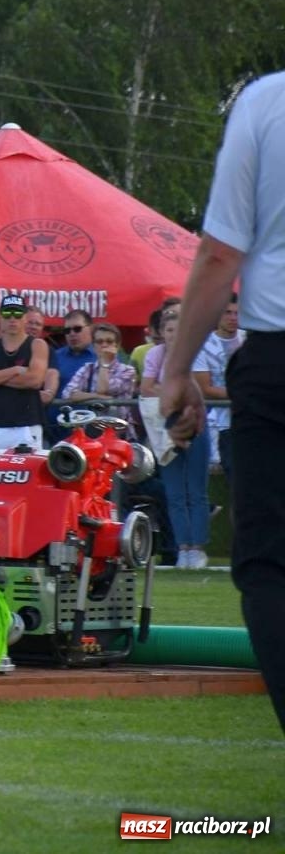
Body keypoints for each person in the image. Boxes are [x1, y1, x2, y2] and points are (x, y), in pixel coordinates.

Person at [160, 69, 285, 733]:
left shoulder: (266, 102)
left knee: (270, 562)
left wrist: (177, 369)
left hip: (278, 356)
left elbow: (219, 255)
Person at [142, 308, 210, 569]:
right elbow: (146, 387)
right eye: (169, 330)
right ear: (161, 332)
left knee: (196, 490)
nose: (173, 335)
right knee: (175, 492)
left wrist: (169, 392)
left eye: (178, 330)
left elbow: (198, 388)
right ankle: (183, 548)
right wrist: (173, 394)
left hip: (195, 421)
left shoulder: (196, 353)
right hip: (165, 424)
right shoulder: (154, 355)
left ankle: (198, 547)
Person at [0, 294, 48, 453]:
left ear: (25, 318)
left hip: (27, 424)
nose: (13, 319)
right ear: (0, 318)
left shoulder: (37, 345)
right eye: (7, 314)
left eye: (18, 314)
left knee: (27, 467)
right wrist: (15, 371)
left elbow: (34, 381)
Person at [192, 294, 244, 480]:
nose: (233, 318)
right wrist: (245, 395)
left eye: (237, 313)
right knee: (234, 475)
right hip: (221, 422)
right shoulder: (203, 345)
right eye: (227, 312)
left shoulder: (249, 340)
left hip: (252, 418)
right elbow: (205, 389)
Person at [46, 310, 97, 443]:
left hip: (91, 433)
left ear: (91, 329)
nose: (72, 334)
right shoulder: (55, 356)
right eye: (67, 330)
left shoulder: (103, 357)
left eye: (77, 329)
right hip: (55, 433)